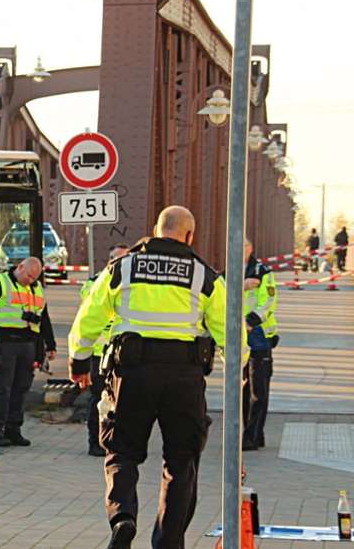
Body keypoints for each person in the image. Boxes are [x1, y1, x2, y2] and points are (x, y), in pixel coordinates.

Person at [68, 206, 246, 549]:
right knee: (181, 460)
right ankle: (168, 540)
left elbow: (89, 316)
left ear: (155, 229)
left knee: (121, 451)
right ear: (190, 236)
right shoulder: (205, 276)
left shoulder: (122, 267)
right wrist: (238, 377)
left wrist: (78, 360)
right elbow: (231, 333)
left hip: (131, 373)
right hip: (184, 377)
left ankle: (123, 516)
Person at [0, 256, 57, 447]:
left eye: (34, 277)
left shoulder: (36, 288)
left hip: (28, 344)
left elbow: (43, 318)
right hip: (5, 343)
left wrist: (50, 345)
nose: (30, 280)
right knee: (2, 389)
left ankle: (14, 431)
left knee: (21, 389)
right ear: (20, 267)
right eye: (28, 276)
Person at [83, 243, 131, 457]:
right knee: (98, 399)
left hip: (124, 353)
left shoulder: (134, 284)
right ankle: (95, 442)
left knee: (124, 400)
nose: (118, 262)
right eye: (115, 258)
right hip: (99, 353)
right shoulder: (94, 283)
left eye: (123, 258)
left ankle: (117, 441)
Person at [241, 239, 278, 451]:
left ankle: (252, 436)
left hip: (259, 334)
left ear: (250, 248)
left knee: (259, 389)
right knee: (243, 389)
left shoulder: (262, 271)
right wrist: (242, 286)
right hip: (239, 335)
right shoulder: (229, 273)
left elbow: (269, 301)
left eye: (244, 245)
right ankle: (253, 432)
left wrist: (251, 320)